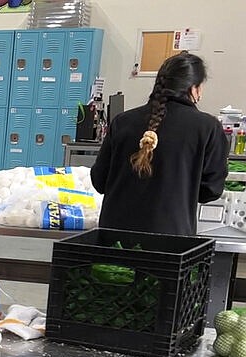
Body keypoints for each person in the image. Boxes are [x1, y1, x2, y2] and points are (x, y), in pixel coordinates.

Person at [91, 52, 229, 236]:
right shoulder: (208, 127)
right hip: (170, 240)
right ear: (194, 89)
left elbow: (99, 180)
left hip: (114, 237)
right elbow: (210, 190)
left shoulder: (122, 122)